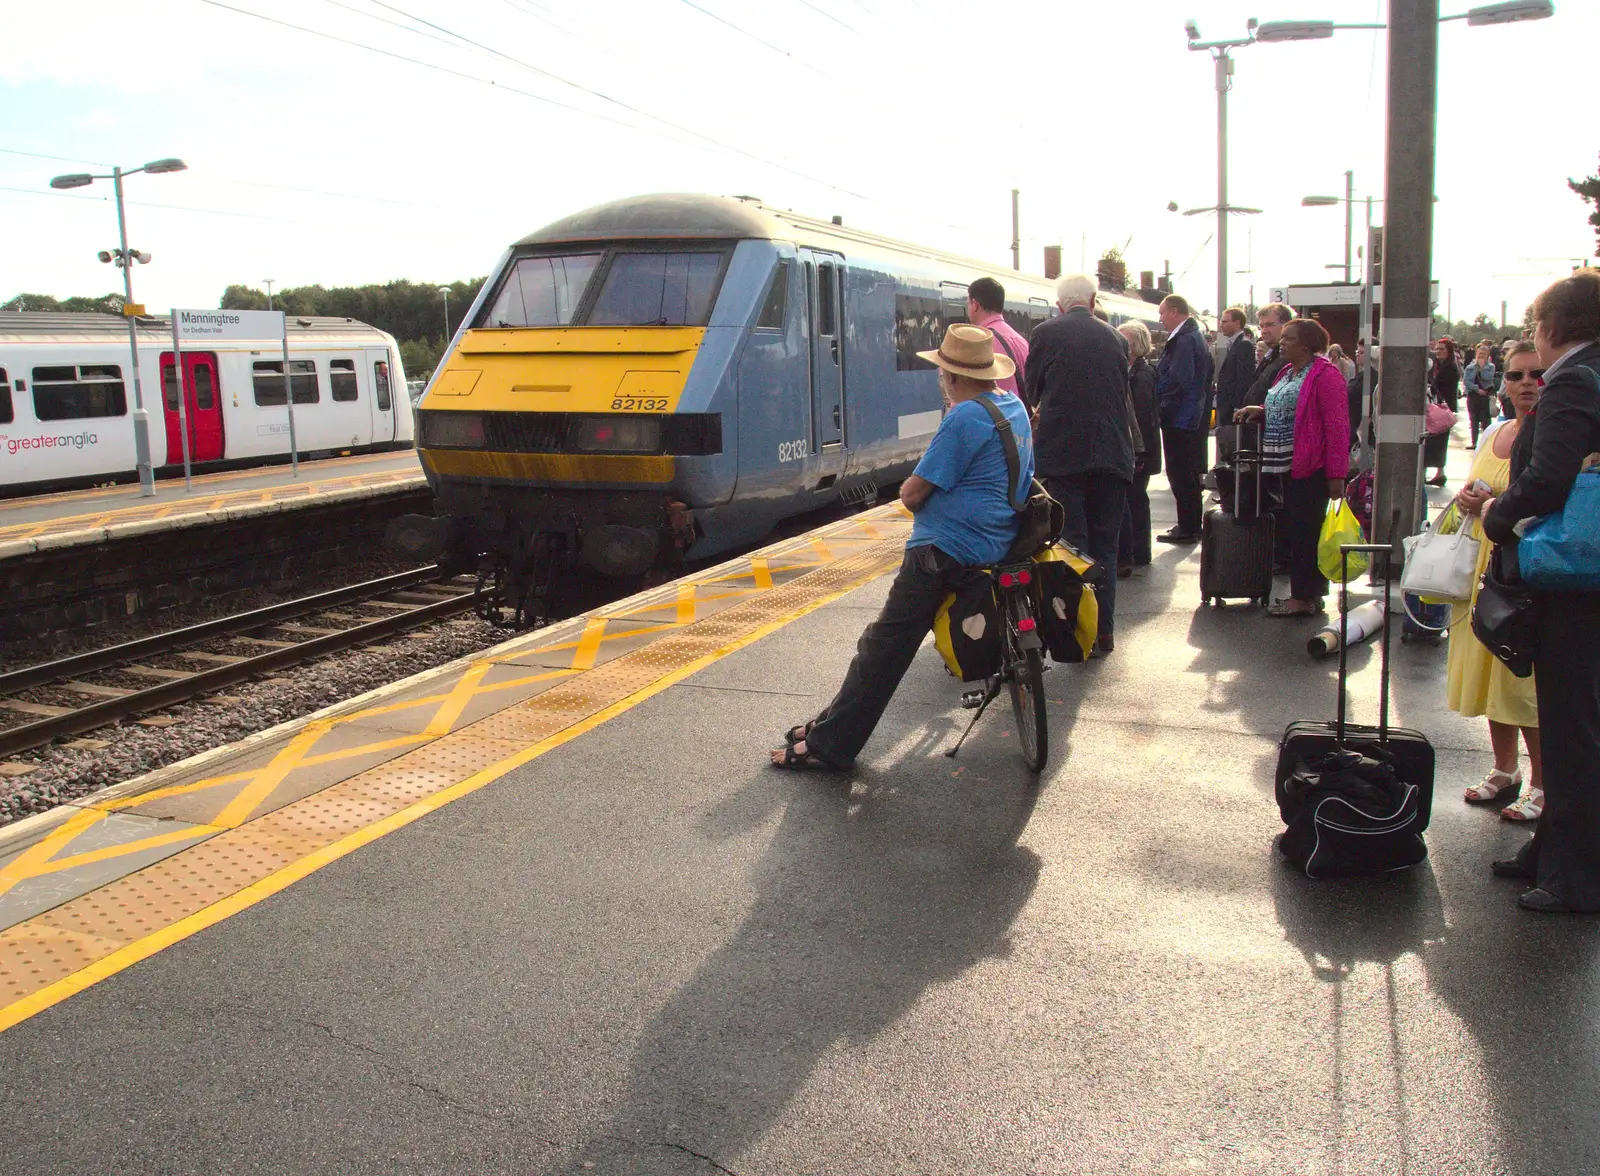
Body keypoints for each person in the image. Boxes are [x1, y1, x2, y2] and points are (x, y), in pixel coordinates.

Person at [771, 324, 1032, 770]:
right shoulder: (1013, 407)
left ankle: (829, 747)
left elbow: (912, 494)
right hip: (999, 540)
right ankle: (827, 724)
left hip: (946, 552)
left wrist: (913, 492)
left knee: (884, 647)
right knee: (882, 644)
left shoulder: (964, 417)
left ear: (949, 377)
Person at [1481, 269, 1600, 912]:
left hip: (1570, 576)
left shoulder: (1575, 380)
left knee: (1570, 724)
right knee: (1572, 719)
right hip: (1590, 570)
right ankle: (1552, 851)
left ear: (1551, 329)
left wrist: (1500, 516)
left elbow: (1548, 478)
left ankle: (1576, 875)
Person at [1450, 341, 1544, 821]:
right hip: (1484, 565)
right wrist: (1469, 498)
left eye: (1536, 373)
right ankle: (1505, 770)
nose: (1526, 383)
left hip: (1526, 566)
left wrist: (1493, 506)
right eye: (1516, 375)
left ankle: (1545, 785)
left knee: (1523, 680)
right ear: (1501, 383)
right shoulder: (1494, 431)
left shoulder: (1558, 435)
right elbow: (1473, 486)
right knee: (1491, 672)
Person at [1023, 273, 1133, 656]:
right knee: (1107, 546)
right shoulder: (1117, 338)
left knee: (1073, 546)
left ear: (1059, 304)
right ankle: (1104, 633)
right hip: (1112, 456)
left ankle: (1077, 633)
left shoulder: (1045, 333)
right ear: (1093, 300)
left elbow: (1032, 389)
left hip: (1065, 456)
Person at [1233, 318, 1349, 617]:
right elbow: (1287, 407)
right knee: (1294, 530)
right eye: (1282, 337)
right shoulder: (1287, 372)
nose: (1282, 342)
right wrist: (1261, 411)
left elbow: (1338, 427)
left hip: (1310, 466)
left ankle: (1303, 597)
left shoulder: (1326, 375)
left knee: (1305, 532)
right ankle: (1308, 594)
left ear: (1307, 344)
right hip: (1284, 464)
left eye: (1289, 338)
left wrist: (1337, 474)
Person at [1153, 294, 1213, 544]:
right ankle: (1189, 524)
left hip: (1179, 417)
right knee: (1185, 473)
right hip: (1187, 415)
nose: (1161, 318)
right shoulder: (1193, 336)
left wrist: (1161, 405)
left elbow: (1178, 379)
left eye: (1163, 313)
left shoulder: (1184, 340)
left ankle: (1188, 527)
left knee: (1180, 473)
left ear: (1175, 311)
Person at [1118, 320, 1161, 578]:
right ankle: (1139, 549)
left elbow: (1143, 417)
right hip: (1141, 448)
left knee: (1135, 499)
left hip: (1141, 449)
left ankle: (1139, 551)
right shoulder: (1134, 370)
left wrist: (1140, 453)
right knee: (1136, 499)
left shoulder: (1141, 375)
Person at [966, 276, 1028, 398]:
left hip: (990, 416)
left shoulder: (979, 343)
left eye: (968, 304)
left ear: (975, 305)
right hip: (1020, 414)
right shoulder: (1021, 341)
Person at [1213, 307, 1256, 463]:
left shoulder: (1244, 345)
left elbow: (1244, 379)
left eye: (1225, 321)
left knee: (1234, 449)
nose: (1220, 325)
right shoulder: (1234, 344)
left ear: (1237, 323)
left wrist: (1237, 407)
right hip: (1227, 406)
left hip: (1233, 408)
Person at [1425, 338, 1462, 488]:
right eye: (1437, 349)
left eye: (1442, 349)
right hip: (1440, 409)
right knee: (1437, 442)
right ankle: (1439, 472)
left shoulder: (1449, 368)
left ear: (1449, 352)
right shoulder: (1439, 366)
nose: (1439, 352)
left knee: (1436, 441)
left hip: (1441, 410)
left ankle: (1438, 472)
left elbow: (1437, 387)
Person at [1243, 302, 1295, 409]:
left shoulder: (1291, 358)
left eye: (1270, 325)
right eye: (1261, 326)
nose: (1264, 331)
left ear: (1286, 325)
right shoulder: (1272, 355)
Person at [1462, 342, 1498, 448]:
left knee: (1485, 420)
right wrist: (1476, 389)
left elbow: (1488, 378)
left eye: (1484, 354)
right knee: (1473, 420)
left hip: (1485, 396)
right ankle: (1474, 442)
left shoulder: (1491, 367)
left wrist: (1482, 368)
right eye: (1480, 353)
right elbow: (1466, 381)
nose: (1481, 356)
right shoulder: (1470, 367)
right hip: (1473, 395)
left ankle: (1486, 443)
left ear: (1487, 356)